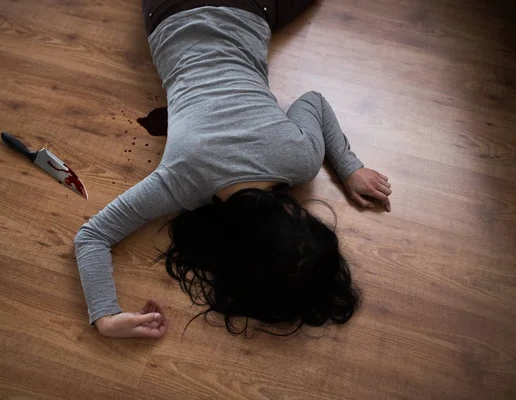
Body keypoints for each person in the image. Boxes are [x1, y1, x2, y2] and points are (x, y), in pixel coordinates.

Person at [74, 0, 392, 339]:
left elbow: (314, 100)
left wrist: (349, 167)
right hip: (167, 13)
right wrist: (105, 317)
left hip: (247, 8)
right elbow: (91, 237)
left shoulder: (300, 159)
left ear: (293, 211)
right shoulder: (182, 182)